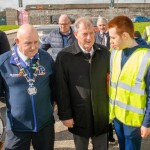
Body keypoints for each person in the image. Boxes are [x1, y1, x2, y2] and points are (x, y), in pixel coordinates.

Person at [55, 17, 110, 150]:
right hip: (78, 115)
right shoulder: (64, 56)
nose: (89, 38)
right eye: (85, 34)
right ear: (75, 34)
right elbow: (61, 88)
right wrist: (65, 115)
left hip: (101, 115)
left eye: (91, 33)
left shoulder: (104, 53)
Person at [0, 24, 56, 150]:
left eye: (36, 42)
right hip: (17, 127)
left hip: (44, 125)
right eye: (28, 43)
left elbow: (54, 86)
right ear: (17, 42)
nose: (33, 47)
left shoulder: (46, 58)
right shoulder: (3, 62)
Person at [108, 15, 150, 150]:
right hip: (117, 118)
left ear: (125, 36)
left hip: (134, 122)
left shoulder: (146, 57)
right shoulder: (115, 53)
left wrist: (147, 123)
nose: (111, 41)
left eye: (113, 38)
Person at [95, 16, 115, 144]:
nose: (102, 27)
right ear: (97, 26)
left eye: (104, 25)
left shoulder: (111, 36)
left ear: (107, 25)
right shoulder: (95, 36)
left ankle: (110, 135)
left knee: (108, 105)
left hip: (110, 69)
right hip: (98, 71)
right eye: (100, 25)